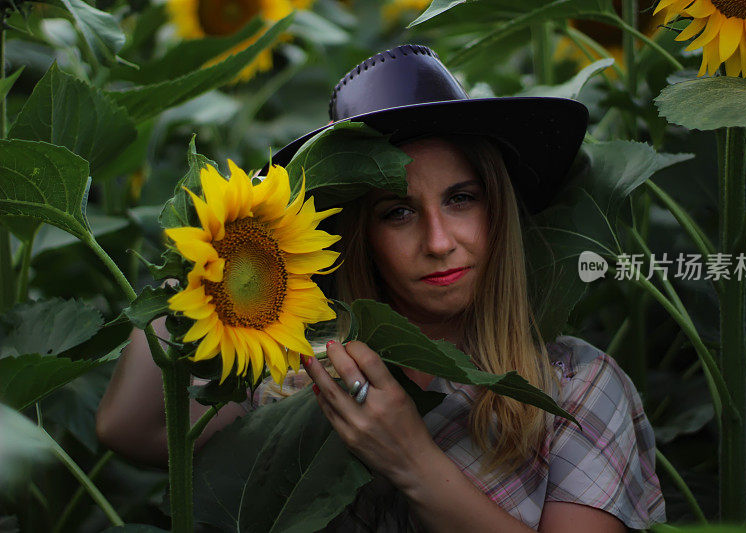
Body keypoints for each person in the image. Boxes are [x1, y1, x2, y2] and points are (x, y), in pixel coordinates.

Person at [96, 44, 666, 532]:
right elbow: (131, 427)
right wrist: (209, 240)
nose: (439, 241)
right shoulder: (299, 378)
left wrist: (412, 460)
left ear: (498, 212)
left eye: (461, 199)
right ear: (358, 235)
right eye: (398, 212)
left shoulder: (576, 391)